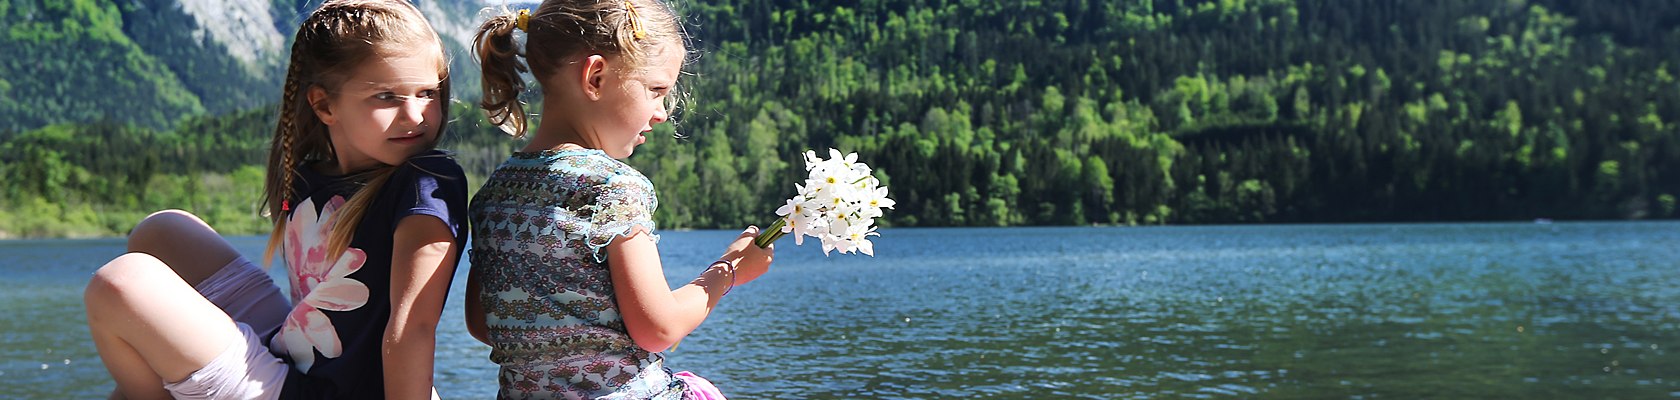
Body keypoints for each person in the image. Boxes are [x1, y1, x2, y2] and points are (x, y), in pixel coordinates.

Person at [81, 0, 467, 398]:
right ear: (324, 105)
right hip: (293, 355)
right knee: (162, 231)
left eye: (427, 93)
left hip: (327, 392)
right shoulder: (309, 174)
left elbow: (413, 327)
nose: (416, 115)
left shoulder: (427, 182)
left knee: (121, 283)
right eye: (387, 96)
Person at [464, 0, 775, 398]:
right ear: (595, 77)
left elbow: (482, 322)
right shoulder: (612, 186)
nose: (662, 112)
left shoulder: (495, 193)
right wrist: (729, 270)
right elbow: (658, 329)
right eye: (656, 90)